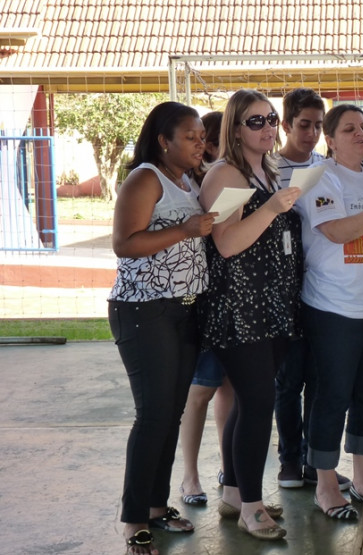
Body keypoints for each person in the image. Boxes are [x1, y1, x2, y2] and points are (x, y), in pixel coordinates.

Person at [109, 101, 214, 554]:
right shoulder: (146, 178)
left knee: (171, 412)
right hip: (143, 310)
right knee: (153, 414)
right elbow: (125, 244)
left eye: (201, 136)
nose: (199, 143)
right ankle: (134, 520)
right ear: (163, 141)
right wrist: (186, 231)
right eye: (189, 137)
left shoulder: (187, 180)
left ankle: (155, 505)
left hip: (184, 309)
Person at [199, 89, 303, 541]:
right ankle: (253, 506)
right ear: (235, 128)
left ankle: (234, 493)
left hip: (270, 304)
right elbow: (226, 242)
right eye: (256, 121)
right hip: (240, 308)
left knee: (248, 402)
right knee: (259, 403)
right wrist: (275, 209)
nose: (268, 128)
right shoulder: (226, 173)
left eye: (271, 119)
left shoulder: (266, 169)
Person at [297, 104, 363, 520]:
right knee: (333, 393)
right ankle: (326, 484)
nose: (361, 134)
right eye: (349, 129)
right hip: (334, 307)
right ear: (330, 138)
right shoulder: (321, 177)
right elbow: (335, 231)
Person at [270, 88, 353, 492]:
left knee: (322, 380)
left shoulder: (326, 167)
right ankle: (289, 460)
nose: (312, 133)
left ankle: (318, 463)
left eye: (319, 126)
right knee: (289, 380)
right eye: (304, 125)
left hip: (322, 289)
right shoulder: (268, 168)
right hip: (283, 292)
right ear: (286, 125)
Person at [177, 110, 235, 506]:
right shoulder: (187, 183)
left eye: (205, 139)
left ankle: (230, 469)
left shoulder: (236, 176)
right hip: (202, 300)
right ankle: (189, 477)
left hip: (234, 300)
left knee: (229, 388)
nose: (203, 147)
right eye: (198, 140)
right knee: (201, 390)